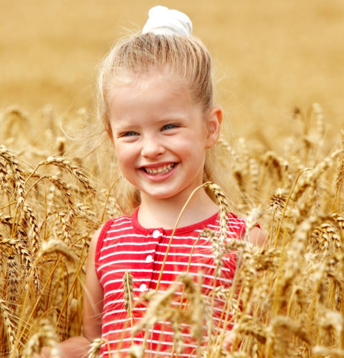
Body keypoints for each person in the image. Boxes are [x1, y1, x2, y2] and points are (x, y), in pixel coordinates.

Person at [40, 5, 266, 358]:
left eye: (169, 127)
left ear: (211, 127)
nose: (151, 149)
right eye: (130, 133)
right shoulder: (106, 241)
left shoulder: (243, 242)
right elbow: (94, 341)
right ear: (111, 137)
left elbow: (262, 344)